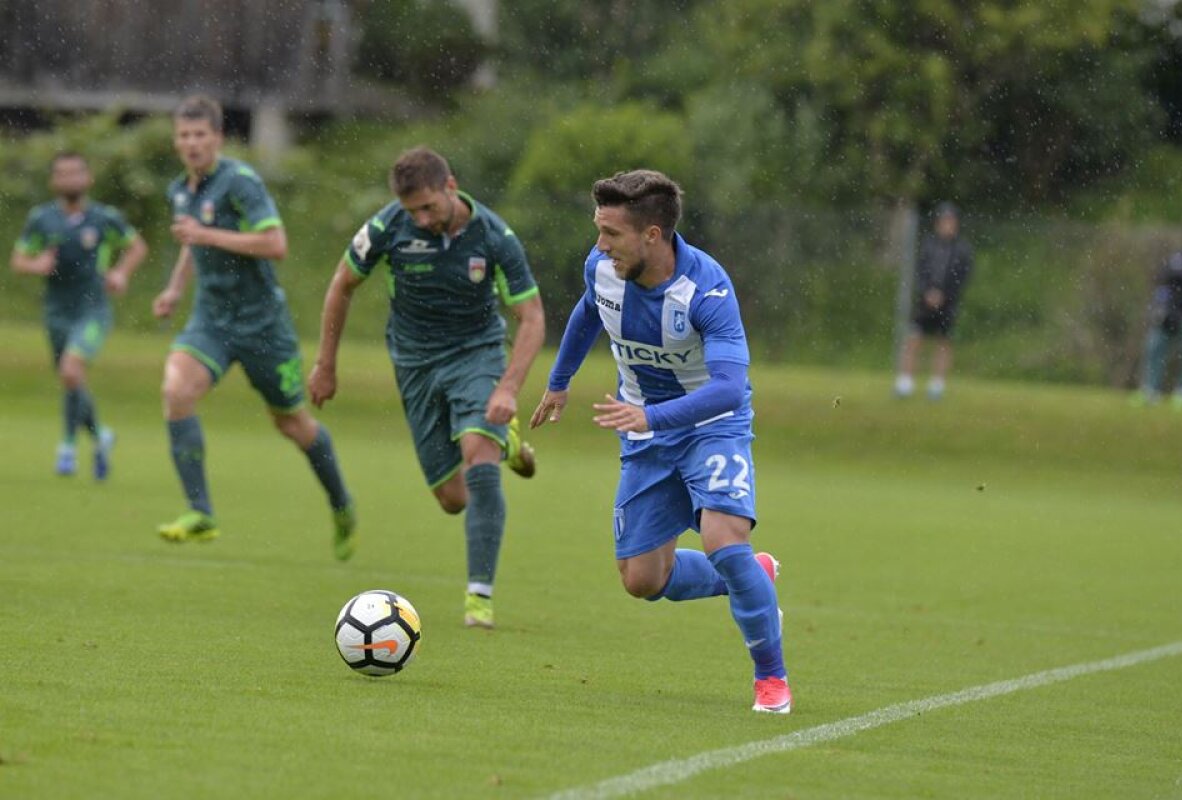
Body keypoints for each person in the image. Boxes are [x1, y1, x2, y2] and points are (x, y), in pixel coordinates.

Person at [529, 170, 790, 714]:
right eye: (598, 231)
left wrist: (652, 415)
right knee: (643, 580)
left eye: (612, 234)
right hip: (644, 433)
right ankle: (751, 576)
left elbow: (728, 389)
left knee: (724, 539)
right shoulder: (601, 269)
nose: (600, 245)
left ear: (653, 235)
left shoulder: (707, 289)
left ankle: (771, 679)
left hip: (709, 427)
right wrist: (559, 381)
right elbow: (587, 312)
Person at [308, 146, 544, 629]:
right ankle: (510, 443)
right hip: (414, 364)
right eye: (411, 209)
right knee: (453, 499)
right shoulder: (385, 228)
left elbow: (532, 317)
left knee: (478, 452)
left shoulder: (494, 236)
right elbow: (341, 286)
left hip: (475, 353)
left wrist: (508, 389)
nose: (420, 218)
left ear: (450, 187)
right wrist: (325, 365)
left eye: (428, 207)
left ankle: (480, 598)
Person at [152, 94, 356, 559]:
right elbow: (191, 242)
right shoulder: (180, 190)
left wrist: (204, 235)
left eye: (200, 134)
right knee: (176, 391)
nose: (192, 143)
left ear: (218, 138)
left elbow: (274, 243)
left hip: (264, 325)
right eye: (184, 135)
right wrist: (174, 290)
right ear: (176, 141)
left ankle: (341, 502)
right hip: (211, 320)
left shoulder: (240, 183)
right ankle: (200, 512)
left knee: (293, 424)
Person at [10, 152, 148, 479]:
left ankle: (68, 446)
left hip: (93, 309)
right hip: (57, 311)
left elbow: (137, 247)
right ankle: (101, 437)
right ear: (53, 181)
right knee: (71, 379)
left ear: (88, 179)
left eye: (76, 173)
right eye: (63, 173)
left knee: (72, 370)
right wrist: (36, 265)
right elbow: (18, 259)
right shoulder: (42, 219)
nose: (70, 179)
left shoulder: (104, 218)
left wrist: (121, 273)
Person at [895, 202, 974, 400]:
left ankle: (937, 386)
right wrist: (927, 293)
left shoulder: (962, 250)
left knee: (943, 342)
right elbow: (919, 272)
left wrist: (945, 296)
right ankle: (905, 383)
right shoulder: (929, 245)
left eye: (950, 221)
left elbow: (963, 278)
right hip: (924, 302)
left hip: (948, 304)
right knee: (914, 339)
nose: (947, 225)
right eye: (943, 221)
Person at [1133, 220, 1182, 409]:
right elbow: (1163, 283)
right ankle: (1150, 390)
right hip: (1169, 314)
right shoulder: (1176, 258)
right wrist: (1159, 306)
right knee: (1154, 349)